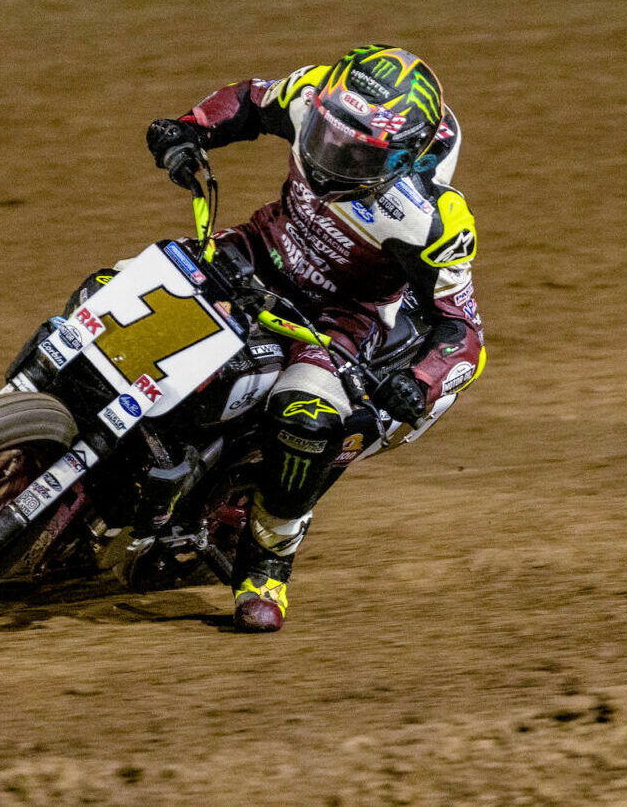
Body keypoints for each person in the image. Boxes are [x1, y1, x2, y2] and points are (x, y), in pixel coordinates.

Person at [144, 45, 485, 631]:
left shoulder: (432, 219)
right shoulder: (316, 96)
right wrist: (186, 129)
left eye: (354, 151)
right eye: (328, 135)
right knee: (119, 286)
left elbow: (463, 332)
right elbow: (251, 101)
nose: (330, 153)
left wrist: (418, 383)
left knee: (303, 421)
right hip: (255, 250)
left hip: (335, 325)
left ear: (400, 159)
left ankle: (268, 562)